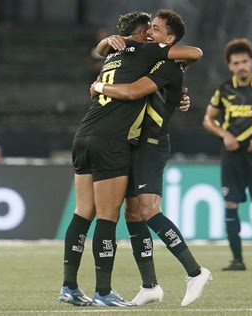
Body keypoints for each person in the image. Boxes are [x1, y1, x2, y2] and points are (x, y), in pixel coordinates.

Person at [58, 11, 203, 307]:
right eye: (147, 30)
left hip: (84, 133)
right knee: (109, 217)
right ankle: (103, 292)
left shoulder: (113, 57)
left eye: (156, 29)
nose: (150, 34)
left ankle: (69, 286)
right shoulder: (144, 51)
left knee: (84, 210)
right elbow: (189, 56)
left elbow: (161, 78)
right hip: (112, 140)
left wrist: (105, 49)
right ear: (137, 36)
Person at [203, 38, 252, 271]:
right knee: (230, 204)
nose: (241, 66)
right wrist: (224, 135)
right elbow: (208, 119)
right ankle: (237, 260)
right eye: (236, 63)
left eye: (244, 61)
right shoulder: (223, 90)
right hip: (232, 155)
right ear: (230, 66)